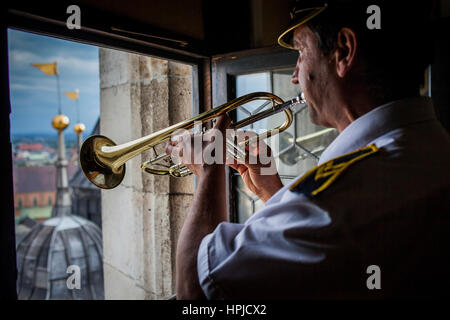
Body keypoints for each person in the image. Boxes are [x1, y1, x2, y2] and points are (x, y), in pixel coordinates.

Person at [165, 0, 450, 299]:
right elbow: (335, 262)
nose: (294, 75)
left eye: (301, 52)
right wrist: (274, 195)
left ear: (343, 50)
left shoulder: (339, 195)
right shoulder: (431, 147)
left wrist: (210, 169)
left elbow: (194, 292)